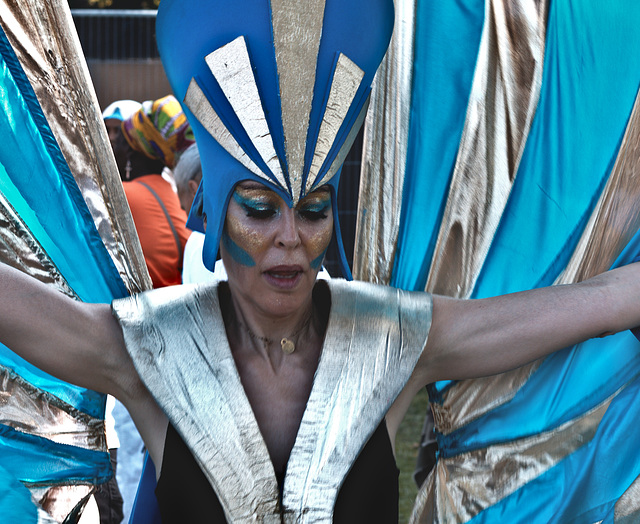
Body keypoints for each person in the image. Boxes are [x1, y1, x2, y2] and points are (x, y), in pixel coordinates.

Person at [1, 1, 639, 523]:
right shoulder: (151, 346)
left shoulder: (392, 338)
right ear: (215, 214)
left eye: (311, 210)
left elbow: (603, 299)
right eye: (259, 209)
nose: (290, 238)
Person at [115, 95, 193, 288]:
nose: (111, 146)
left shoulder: (119, 197)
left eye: (118, 139)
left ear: (130, 151)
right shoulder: (177, 195)